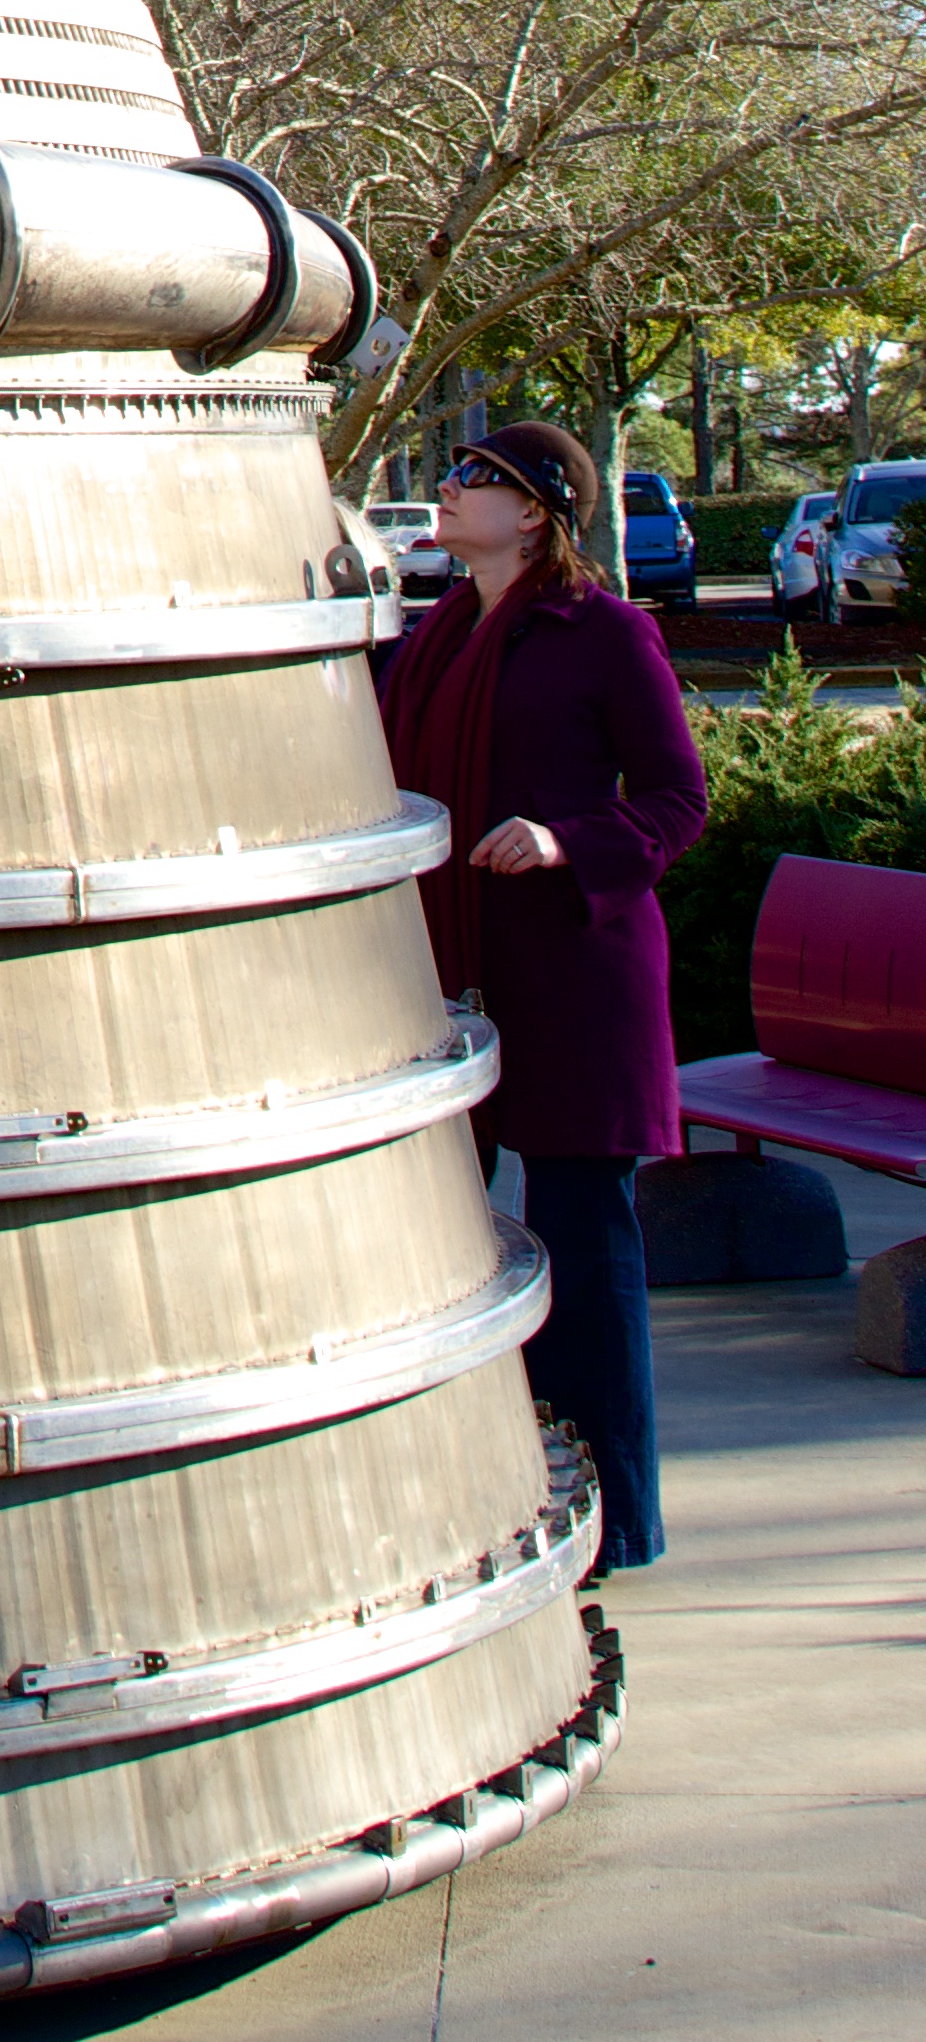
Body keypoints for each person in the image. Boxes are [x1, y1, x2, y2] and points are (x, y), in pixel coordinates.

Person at [377, 419, 709, 1574]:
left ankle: (618, 1520)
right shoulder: (429, 641)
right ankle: (499, 1490)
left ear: (536, 512)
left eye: (476, 480)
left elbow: (678, 799)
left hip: (577, 971)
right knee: (446, 1242)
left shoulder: (605, 634)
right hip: (452, 970)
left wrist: (567, 840)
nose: (448, 492)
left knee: (586, 1243)